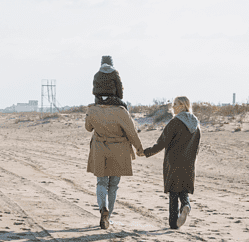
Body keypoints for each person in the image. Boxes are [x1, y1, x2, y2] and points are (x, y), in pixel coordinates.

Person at [85, 93, 144, 230]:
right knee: (113, 185)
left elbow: (88, 128)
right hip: (119, 150)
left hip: (100, 149)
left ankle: (102, 208)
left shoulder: (92, 109)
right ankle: (108, 217)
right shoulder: (121, 111)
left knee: (101, 182)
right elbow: (132, 132)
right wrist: (139, 149)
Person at [142, 96, 202, 229]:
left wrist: (146, 152)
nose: (172, 107)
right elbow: (197, 147)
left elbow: (161, 143)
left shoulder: (175, 122)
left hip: (174, 162)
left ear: (182, 106)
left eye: (175, 104)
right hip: (189, 163)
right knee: (183, 190)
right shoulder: (196, 124)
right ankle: (186, 205)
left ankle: (173, 224)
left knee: (174, 193)